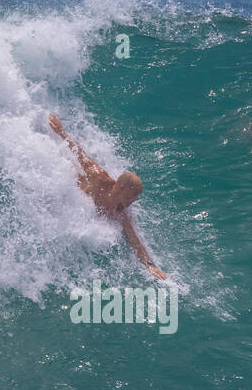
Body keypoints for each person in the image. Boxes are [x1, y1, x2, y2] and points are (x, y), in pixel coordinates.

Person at [48, 113, 167, 279]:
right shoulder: (99, 178)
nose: (136, 200)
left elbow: (134, 240)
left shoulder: (121, 212)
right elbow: (80, 154)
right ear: (121, 187)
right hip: (71, 181)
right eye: (134, 195)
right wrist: (61, 132)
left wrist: (150, 265)